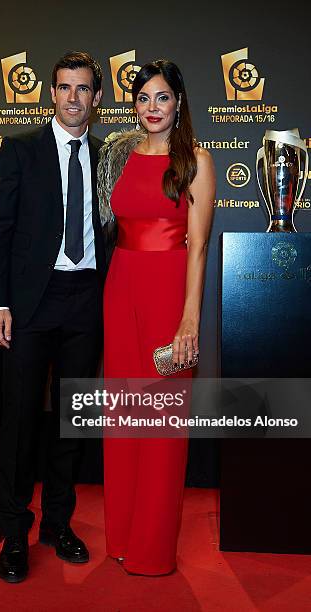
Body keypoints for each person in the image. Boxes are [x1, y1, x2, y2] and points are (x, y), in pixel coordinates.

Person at [0, 51, 106, 583]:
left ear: (96, 98)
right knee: (20, 424)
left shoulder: (109, 157)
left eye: (83, 89)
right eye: (64, 87)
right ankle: (14, 535)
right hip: (31, 303)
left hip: (87, 300)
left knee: (71, 423)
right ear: (51, 93)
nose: (73, 98)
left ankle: (58, 524)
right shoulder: (20, 151)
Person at [98, 59, 215, 576]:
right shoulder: (118, 155)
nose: (152, 107)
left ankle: (151, 549)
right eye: (144, 97)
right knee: (123, 418)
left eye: (162, 97)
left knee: (163, 420)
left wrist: (190, 320)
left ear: (179, 102)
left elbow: (199, 248)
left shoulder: (196, 160)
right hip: (120, 290)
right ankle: (121, 536)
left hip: (169, 291)